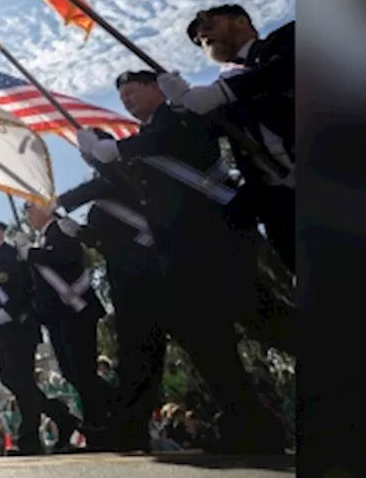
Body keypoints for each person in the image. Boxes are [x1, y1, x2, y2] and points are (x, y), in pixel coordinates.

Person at [77, 71, 288, 454]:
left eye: (133, 91)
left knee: (265, 320)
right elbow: (120, 175)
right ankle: (250, 424)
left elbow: (170, 141)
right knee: (209, 343)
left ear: (157, 87)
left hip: (219, 240)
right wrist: (97, 155)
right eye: (121, 96)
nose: (126, 100)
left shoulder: (179, 117)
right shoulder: (146, 139)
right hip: (185, 255)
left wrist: (117, 150)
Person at [161, 4, 295, 273]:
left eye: (209, 25)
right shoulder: (224, 87)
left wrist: (225, 91)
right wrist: (180, 106)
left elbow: (289, 68)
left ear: (241, 21)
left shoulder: (286, 39)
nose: (202, 35)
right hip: (282, 205)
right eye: (198, 38)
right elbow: (204, 136)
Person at [54, 167, 166, 452]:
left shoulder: (122, 179)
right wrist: (81, 232)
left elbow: (100, 185)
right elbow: (105, 243)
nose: (90, 170)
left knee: (156, 353)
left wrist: (56, 201)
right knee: (135, 358)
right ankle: (129, 430)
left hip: (158, 276)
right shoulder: (97, 209)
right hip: (127, 286)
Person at [0, 218, 78, 455]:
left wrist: (11, 310)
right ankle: (61, 417)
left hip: (19, 329)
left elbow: (26, 286)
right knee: (15, 381)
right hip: (1, 332)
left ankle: (30, 438)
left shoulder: (12, 254)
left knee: (21, 380)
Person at [16, 201, 112, 443]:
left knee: (82, 369)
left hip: (76, 311)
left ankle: (102, 422)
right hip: (58, 315)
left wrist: (30, 253)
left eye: (29, 209)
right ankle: (106, 414)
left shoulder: (60, 229)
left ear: (42, 209)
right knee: (72, 371)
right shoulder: (41, 237)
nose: (27, 215)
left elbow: (66, 256)